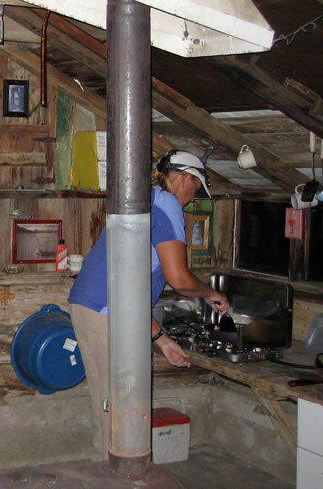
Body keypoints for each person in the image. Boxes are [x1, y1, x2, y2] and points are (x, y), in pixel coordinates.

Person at [67, 149, 230, 460]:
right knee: (126, 410)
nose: (194, 198)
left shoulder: (143, 197)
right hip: (108, 312)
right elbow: (179, 278)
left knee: (107, 405)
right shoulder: (168, 204)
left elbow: (132, 288)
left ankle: (106, 471)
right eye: (197, 188)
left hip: (89, 306)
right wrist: (209, 292)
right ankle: (124, 477)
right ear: (185, 178)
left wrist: (163, 342)